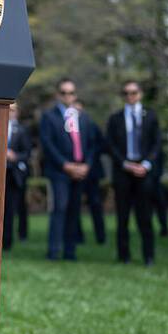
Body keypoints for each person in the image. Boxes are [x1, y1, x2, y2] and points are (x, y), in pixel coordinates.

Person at [105, 80, 161, 265]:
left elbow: (156, 143)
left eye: (134, 92)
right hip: (123, 171)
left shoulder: (150, 116)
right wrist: (125, 164)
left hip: (144, 170)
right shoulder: (116, 118)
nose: (131, 96)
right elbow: (110, 145)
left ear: (140, 93)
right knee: (123, 216)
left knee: (145, 216)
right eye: (127, 93)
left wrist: (145, 164)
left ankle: (148, 255)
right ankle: (124, 255)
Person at [39, 77, 93, 261]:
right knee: (60, 208)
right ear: (57, 94)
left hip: (80, 170)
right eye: (63, 92)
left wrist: (87, 164)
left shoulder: (83, 117)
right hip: (59, 171)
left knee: (74, 210)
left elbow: (92, 143)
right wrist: (65, 164)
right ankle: (53, 252)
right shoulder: (49, 116)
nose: (67, 96)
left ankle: (70, 252)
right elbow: (47, 144)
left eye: (71, 93)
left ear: (75, 95)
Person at [70, 99, 106, 245]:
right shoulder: (68, 127)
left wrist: (88, 163)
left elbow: (101, 145)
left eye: (79, 110)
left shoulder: (91, 125)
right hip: (75, 172)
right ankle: (78, 236)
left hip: (92, 172)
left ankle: (101, 236)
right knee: (75, 205)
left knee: (95, 204)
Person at [3, 102, 32, 251]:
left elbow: (27, 153)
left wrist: (14, 156)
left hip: (15, 174)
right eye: (7, 108)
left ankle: (7, 242)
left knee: (12, 209)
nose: (10, 112)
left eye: (13, 109)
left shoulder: (22, 130)